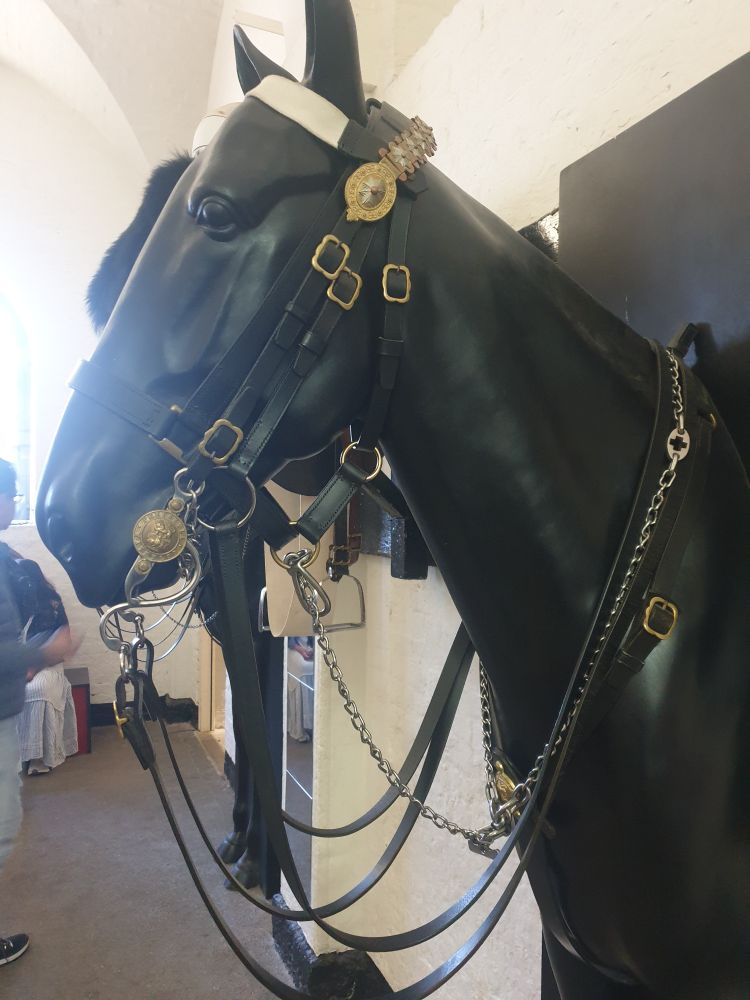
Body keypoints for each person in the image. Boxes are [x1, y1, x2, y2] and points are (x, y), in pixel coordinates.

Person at [0, 459, 78, 966]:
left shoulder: (7, 558)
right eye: (12, 494)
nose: (15, 504)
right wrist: (43, 655)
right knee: (3, 826)